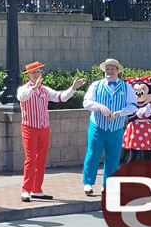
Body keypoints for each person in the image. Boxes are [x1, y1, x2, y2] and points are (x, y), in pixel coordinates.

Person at [16, 61, 85, 202]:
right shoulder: (24, 89)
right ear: (28, 75)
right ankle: (26, 190)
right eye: (33, 72)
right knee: (30, 159)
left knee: (41, 159)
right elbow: (22, 97)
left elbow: (61, 97)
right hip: (29, 127)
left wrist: (73, 88)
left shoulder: (45, 90)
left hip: (44, 127)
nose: (36, 74)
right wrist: (34, 88)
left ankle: (37, 189)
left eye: (38, 72)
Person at [82, 58, 137, 195]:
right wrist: (99, 107)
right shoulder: (96, 85)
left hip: (116, 128)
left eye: (112, 69)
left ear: (117, 71)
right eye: (107, 69)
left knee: (113, 157)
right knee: (92, 154)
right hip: (97, 126)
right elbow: (86, 103)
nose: (110, 71)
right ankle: (88, 183)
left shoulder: (126, 87)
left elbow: (132, 106)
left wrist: (119, 113)